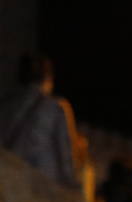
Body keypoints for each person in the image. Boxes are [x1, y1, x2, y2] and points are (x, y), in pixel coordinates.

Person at [0, 54, 82, 190]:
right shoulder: (56, 107)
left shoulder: (6, 103)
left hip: (8, 182)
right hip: (37, 186)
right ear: (48, 79)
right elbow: (66, 158)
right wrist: (73, 187)